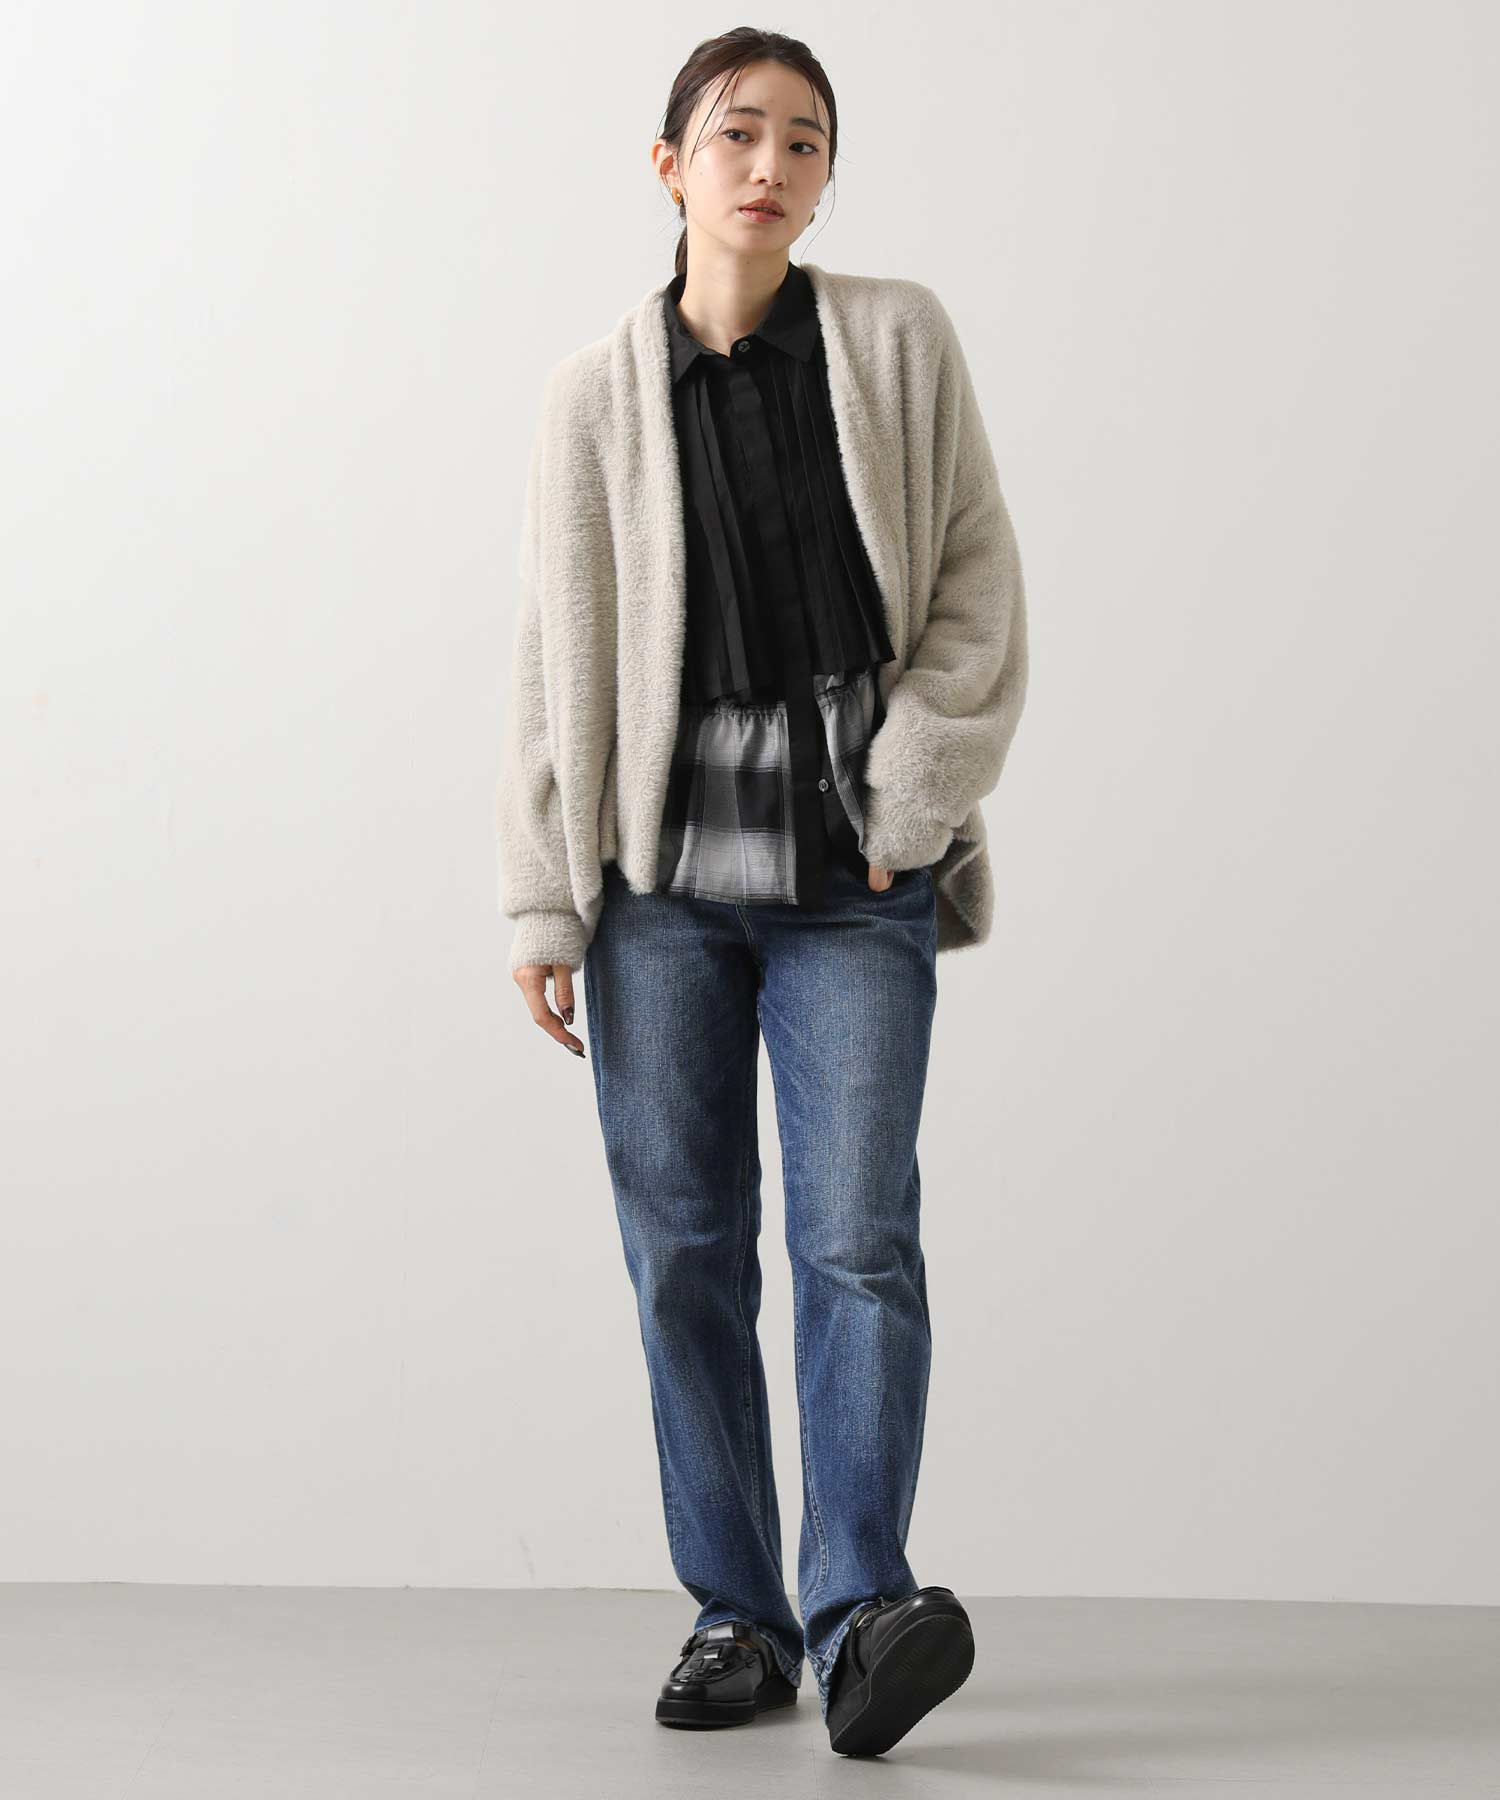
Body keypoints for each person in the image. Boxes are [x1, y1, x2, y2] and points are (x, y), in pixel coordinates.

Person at [497, 27, 1028, 1758]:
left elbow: (976, 578)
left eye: (805, 139)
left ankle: (860, 1609)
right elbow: (552, 660)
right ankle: (735, 1614)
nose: (770, 164)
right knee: (684, 1251)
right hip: (659, 891)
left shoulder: (896, 338)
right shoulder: (592, 395)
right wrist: (544, 897)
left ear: (824, 178)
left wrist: (913, 796)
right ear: (670, 166)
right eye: (736, 133)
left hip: (853, 870)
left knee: (857, 1240)